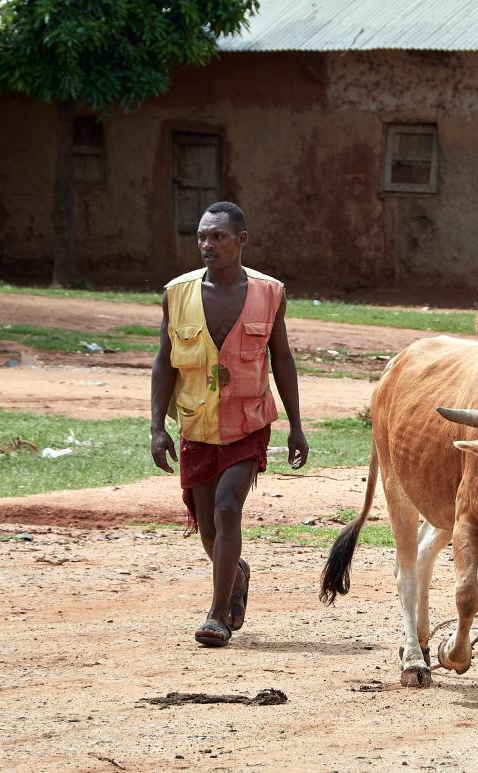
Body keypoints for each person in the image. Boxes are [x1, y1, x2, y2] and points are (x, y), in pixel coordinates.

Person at [150, 201, 309, 648]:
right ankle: (235, 573)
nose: (207, 245)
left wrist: (296, 425)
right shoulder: (176, 293)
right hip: (196, 425)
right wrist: (156, 426)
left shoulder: (270, 292)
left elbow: (282, 357)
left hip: (248, 422)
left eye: (217, 236)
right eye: (201, 236)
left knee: (226, 509)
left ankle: (217, 615)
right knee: (207, 529)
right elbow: (164, 361)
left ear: (241, 240)